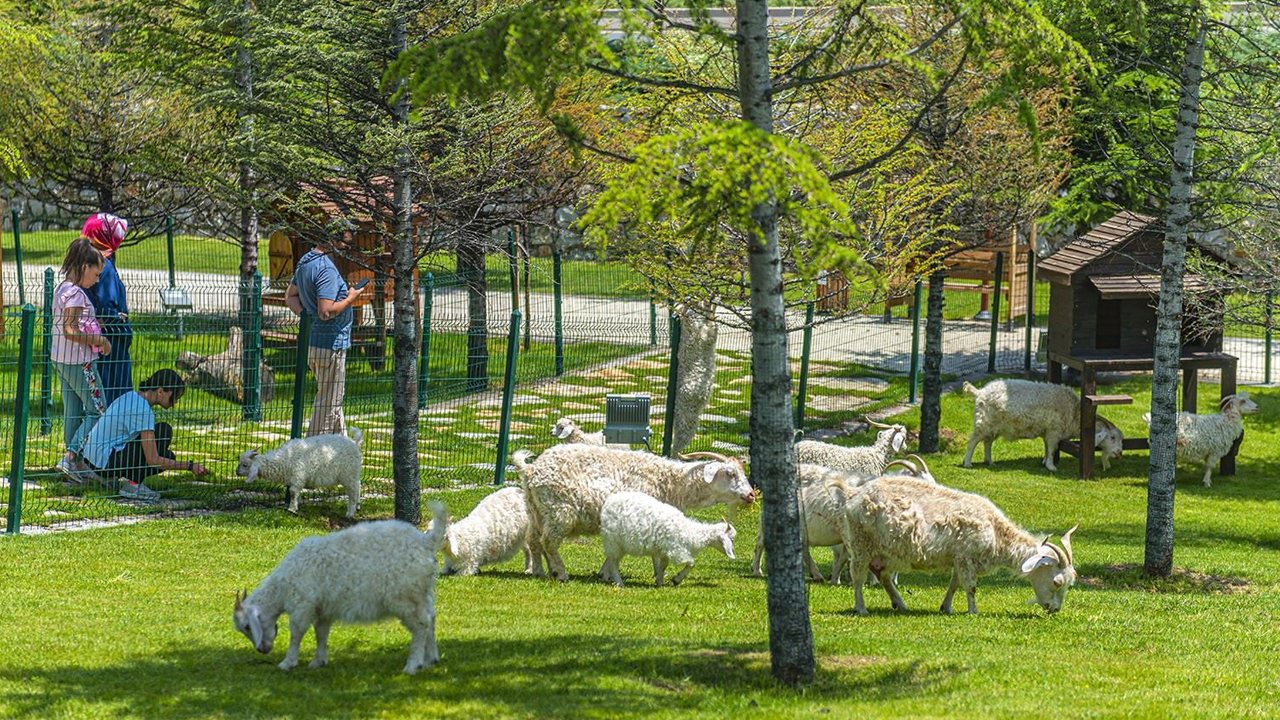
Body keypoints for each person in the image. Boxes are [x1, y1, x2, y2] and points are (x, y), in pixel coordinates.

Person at [82, 369, 210, 502]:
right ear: (160, 392)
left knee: (163, 443)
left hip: (91, 459)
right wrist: (189, 466)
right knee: (164, 435)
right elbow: (152, 460)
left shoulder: (131, 396)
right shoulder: (143, 411)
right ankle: (132, 486)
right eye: (174, 397)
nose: (174, 403)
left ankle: (111, 478)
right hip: (103, 464)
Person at [284, 237, 366, 436]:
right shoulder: (326, 269)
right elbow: (326, 311)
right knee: (329, 404)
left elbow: (290, 296)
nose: (347, 248)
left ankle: (345, 446)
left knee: (331, 398)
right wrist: (351, 298)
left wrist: (307, 317)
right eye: (345, 242)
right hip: (330, 344)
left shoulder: (306, 261)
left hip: (313, 342)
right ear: (333, 241)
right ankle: (314, 446)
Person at [51, 238, 113, 483]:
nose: (96, 281)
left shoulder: (62, 289)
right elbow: (70, 330)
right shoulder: (76, 294)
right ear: (85, 267)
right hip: (80, 362)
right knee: (98, 410)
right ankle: (70, 456)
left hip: (61, 359)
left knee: (73, 411)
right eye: (96, 275)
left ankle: (75, 464)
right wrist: (100, 340)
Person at [82, 213, 134, 406]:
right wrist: (119, 321)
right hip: (111, 343)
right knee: (116, 399)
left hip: (99, 340)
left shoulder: (88, 263)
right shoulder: (105, 268)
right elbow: (105, 306)